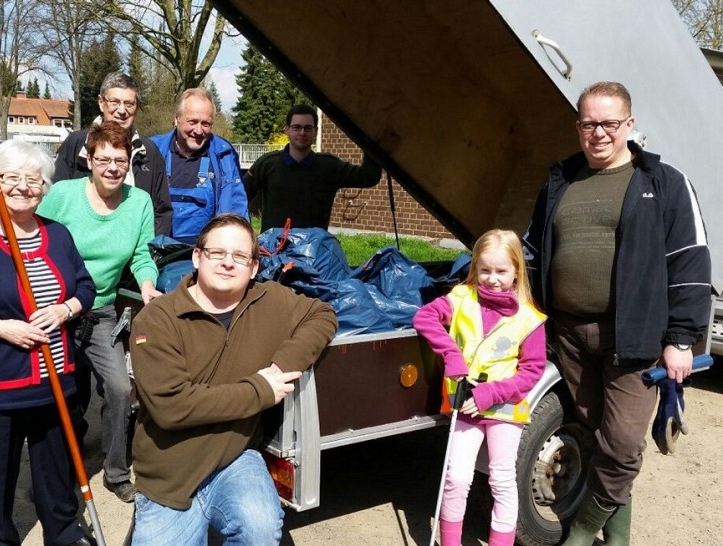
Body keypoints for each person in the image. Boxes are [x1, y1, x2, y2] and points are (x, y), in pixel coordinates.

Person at [522, 81, 711, 545]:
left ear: (630, 125)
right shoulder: (560, 181)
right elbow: (531, 252)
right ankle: (619, 538)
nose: (599, 133)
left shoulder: (663, 183)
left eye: (609, 123)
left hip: (634, 336)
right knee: (595, 434)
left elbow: (690, 262)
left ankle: (584, 531)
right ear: (578, 127)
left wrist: (682, 339)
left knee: (623, 444)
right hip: (567, 335)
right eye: (589, 124)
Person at [129, 213, 338, 545]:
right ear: (197, 257)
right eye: (217, 253)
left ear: (254, 267)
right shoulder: (157, 319)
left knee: (261, 529)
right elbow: (173, 407)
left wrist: (282, 366)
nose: (228, 263)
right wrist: (260, 390)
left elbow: (322, 314)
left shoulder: (268, 299)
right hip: (170, 475)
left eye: (240, 256)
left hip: (234, 459)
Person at [0, 140, 97, 546]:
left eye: (33, 179)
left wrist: (64, 310)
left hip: (56, 382)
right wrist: (0, 328)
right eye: (11, 178)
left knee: (56, 474)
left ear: (45, 187)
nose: (23, 187)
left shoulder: (57, 235)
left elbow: (86, 288)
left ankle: (64, 536)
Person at [37, 121, 160, 503]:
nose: (111, 167)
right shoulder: (63, 195)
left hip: (103, 311)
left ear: (128, 163)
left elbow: (142, 255)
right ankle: (54, 476)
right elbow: (34, 238)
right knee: (57, 396)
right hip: (57, 311)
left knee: (122, 390)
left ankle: (115, 470)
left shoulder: (138, 202)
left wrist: (148, 286)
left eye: (119, 160)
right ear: (88, 159)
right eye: (103, 158)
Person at [414, 229, 547, 546]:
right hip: (465, 406)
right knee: (457, 478)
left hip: (504, 408)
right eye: (485, 270)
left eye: (501, 271)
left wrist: (490, 394)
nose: (492, 278)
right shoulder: (461, 298)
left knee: (502, 480)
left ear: (517, 270)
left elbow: (532, 370)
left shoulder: (529, 317)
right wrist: (451, 355)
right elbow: (424, 318)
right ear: (475, 267)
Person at [53, 71, 172, 237]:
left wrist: (151, 252)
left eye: (129, 104)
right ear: (101, 103)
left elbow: (161, 211)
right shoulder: (77, 145)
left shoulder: (149, 152)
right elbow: (55, 200)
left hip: (135, 255)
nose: (122, 110)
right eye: (115, 102)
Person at [244, 104, 382, 231]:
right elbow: (240, 196)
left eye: (308, 128)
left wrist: (371, 138)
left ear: (315, 131)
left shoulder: (329, 167)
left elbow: (368, 177)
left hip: (314, 253)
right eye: (296, 127)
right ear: (287, 130)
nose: (302, 133)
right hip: (273, 251)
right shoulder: (267, 164)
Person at [150, 88, 249, 243]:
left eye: (206, 124)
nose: (198, 130)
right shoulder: (152, 150)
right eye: (192, 122)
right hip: (157, 251)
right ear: (176, 119)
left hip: (207, 254)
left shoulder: (224, 155)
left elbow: (236, 208)